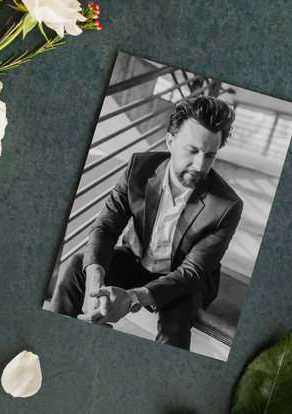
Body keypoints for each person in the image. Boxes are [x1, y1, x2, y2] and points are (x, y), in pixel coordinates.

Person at [50, 95, 243, 350]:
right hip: (137, 259)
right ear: (171, 141)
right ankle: (52, 342)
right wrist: (94, 279)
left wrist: (131, 298)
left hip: (184, 277)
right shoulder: (138, 168)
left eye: (210, 155)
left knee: (176, 321)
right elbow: (106, 227)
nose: (200, 165)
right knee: (78, 265)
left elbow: (192, 273)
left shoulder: (227, 206)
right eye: (193, 151)